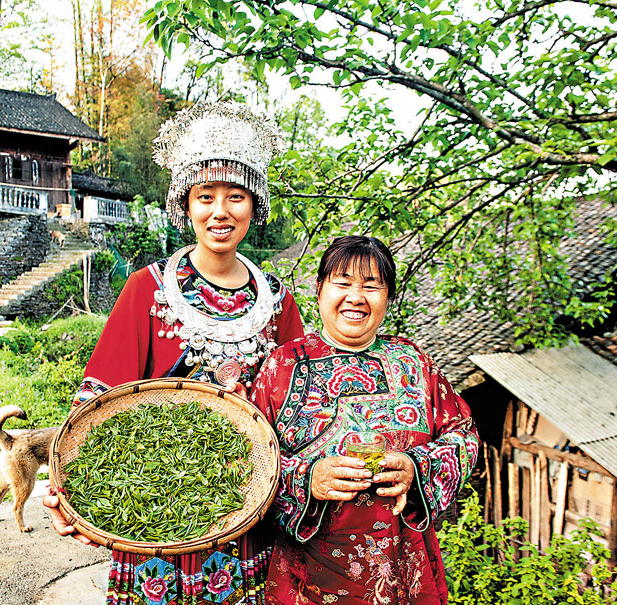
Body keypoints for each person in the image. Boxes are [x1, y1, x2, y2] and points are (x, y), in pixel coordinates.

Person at [43, 101, 304, 605]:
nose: (219, 211)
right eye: (205, 196)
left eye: (235, 197)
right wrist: (66, 491)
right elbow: (97, 401)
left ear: (256, 205)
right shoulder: (148, 290)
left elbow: (300, 409)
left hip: (244, 508)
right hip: (154, 511)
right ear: (185, 206)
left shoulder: (278, 303)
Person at [249, 235, 479, 605]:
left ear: (387, 297)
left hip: (405, 567)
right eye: (343, 283)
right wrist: (309, 479)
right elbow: (249, 459)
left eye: (371, 286)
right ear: (320, 289)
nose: (356, 297)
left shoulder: (414, 362)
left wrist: (415, 467)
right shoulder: (282, 366)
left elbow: (464, 437)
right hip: (306, 576)